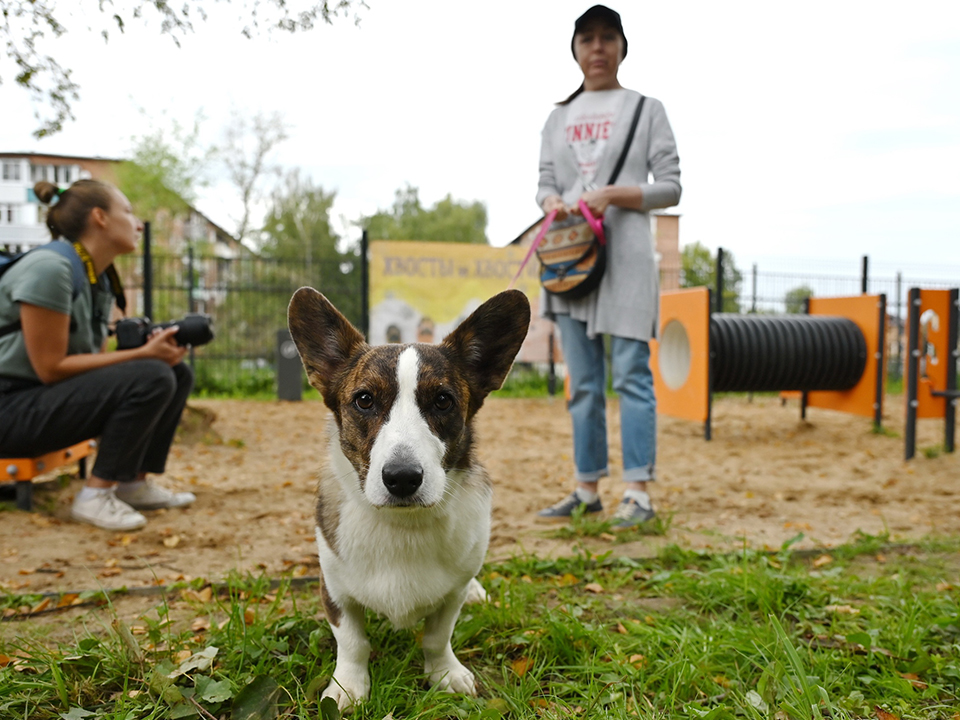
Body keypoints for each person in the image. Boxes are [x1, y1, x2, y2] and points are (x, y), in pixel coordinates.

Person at [535, 5, 681, 528]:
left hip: (627, 260)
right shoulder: (557, 117)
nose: (597, 48)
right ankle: (586, 489)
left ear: (622, 46)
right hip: (570, 259)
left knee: (634, 376)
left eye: (607, 38)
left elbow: (671, 185)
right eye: (587, 39)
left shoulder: (646, 109)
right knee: (584, 381)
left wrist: (617, 194)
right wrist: (552, 202)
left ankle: (638, 492)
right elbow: (544, 183)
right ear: (574, 50)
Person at [0, 179, 196, 531]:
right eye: (129, 212)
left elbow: (90, 363)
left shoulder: (97, 278)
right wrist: (142, 358)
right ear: (99, 217)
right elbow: (50, 368)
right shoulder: (51, 268)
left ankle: (131, 483)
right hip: (9, 409)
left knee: (174, 372)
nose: (137, 223)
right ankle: (94, 496)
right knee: (151, 374)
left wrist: (147, 350)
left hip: (33, 403)